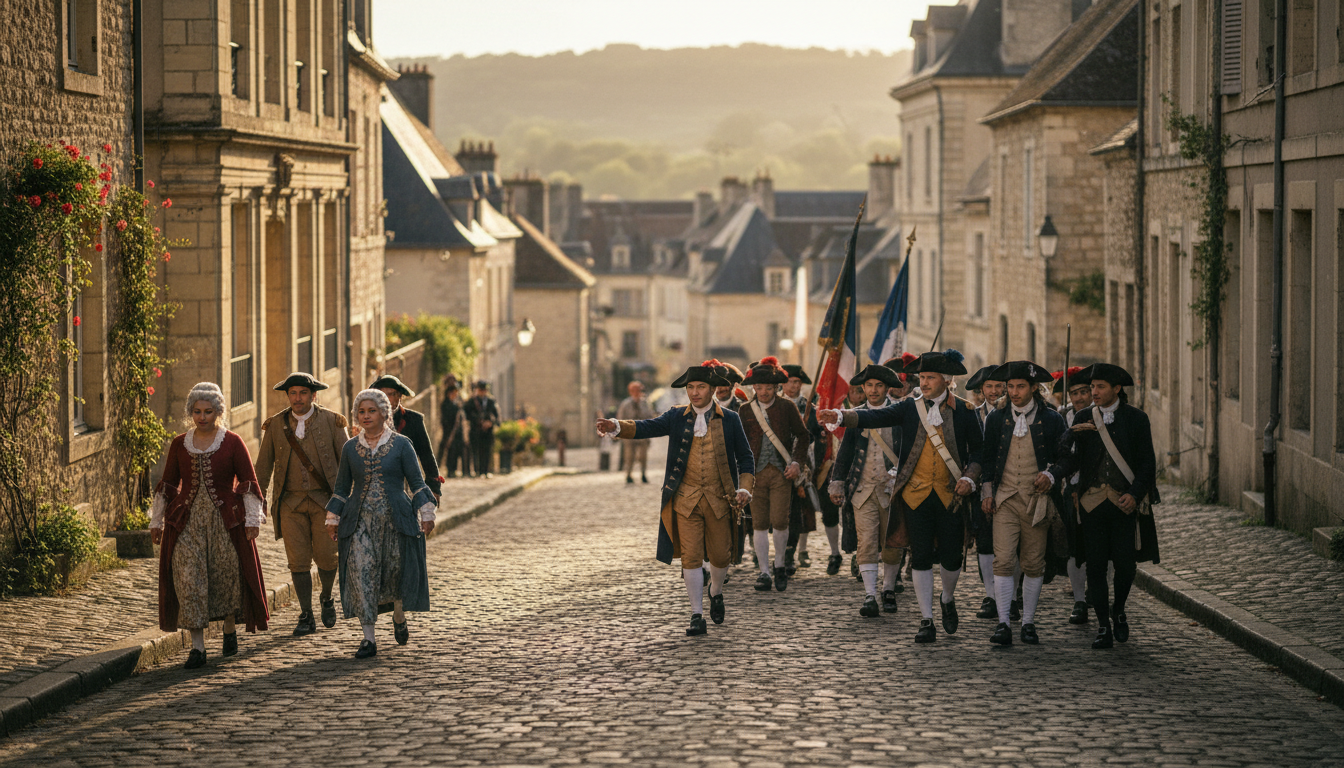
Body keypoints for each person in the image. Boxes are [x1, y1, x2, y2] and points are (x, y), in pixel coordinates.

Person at [819, 350, 983, 644]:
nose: (925, 382)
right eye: (922, 377)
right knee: (919, 556)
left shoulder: (967, 411)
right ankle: (926, 619)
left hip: (951, 495)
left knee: (951, 558)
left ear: (946, 380)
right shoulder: (910, 408)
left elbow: (979, 452)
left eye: (930, 377)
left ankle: (947, 598)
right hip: (914, 494)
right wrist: (842, 415)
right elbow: (876, 415)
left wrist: (970, 477)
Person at [597, 361, 754, 635]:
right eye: (690, 387)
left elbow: (745, 457)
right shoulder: (676, 416)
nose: (694, 393)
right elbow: (647, 426)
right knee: (691, 558)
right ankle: (696, 614)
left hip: (720, 499)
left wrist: (745, 488)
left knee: (720, 557)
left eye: (700, 387)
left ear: (713, 389)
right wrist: (616, 426)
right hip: (684, 499)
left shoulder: (730, 419)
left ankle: (715, 591)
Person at [151, 383, 268, 669]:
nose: (202, 417)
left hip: (224, 522)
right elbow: (167, 483)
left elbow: (248, 481)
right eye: (197, 411)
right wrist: (157, 519)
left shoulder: (232, 442)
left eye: (208, 411)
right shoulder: (180, 443)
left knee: (224, 576)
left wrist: (252, 520)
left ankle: (229, 627)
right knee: (189, 579)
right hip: (186, 522)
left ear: (218, 412)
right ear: (190, 412)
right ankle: (198, 647)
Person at [325, 389, 437, 658]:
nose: (366, 416)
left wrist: (426, 512)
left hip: (395, 520)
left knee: (394, 575)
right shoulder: (350, 448)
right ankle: (368, 639)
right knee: (362, 573)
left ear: (385, 413)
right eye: (361, 412)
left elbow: (417, 482)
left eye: (371, 411)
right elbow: (341, 487)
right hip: (359, 521)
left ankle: (398, 615)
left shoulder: (401, 445)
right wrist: (333, 518)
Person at [1056, 363, 1160, 649]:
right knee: (1096, 567)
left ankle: (1120, 610)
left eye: (1100, 387)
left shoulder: (1137, 419)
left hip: (1123, 504)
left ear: (1116, 389)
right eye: (1092, 388)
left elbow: (1147, 464)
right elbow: (1069, 459)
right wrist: (1070, 436)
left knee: (1126, 566)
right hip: (1091, 505)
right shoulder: (1082, 417)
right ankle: (1103, 625)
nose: (1094, 392)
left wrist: (1135, 495)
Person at [977, 361, 1068, 646]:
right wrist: (987, 492)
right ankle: (1004, 623)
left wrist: (1051, 475)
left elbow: (1066, 458)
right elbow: (988, 459)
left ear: (1033, 389)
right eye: (1010, 387)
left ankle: (1028, 622)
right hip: (1005, 499)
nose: (1014, 392)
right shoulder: (996, 418)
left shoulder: (1052, 419)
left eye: (1020, 387)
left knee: (1032, 563)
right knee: (1003, 561)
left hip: (1037, 502)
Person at [254, 372, 348, 637]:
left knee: (329, 558)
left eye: (303, 393)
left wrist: (349, 500)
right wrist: (257, 502)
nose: (298, 398)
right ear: (288, 396)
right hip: (290, 503)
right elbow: (262, 467)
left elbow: (348, 462)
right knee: (297, 562)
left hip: (326, 502)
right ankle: (306, 613)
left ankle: (327, 597)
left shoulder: (332, 422)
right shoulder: (275, 425)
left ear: (314, 395)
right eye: (293, 393)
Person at [828, 364, 904, 617]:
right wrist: (837, 481)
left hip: (892, 491)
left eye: (879, 385)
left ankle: (889, 589)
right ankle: (870, 595)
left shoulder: (900, 413)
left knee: (892, 544)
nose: (873, 390)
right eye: (869, 386)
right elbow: (845, 453)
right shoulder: (855, 415)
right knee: (867, 543)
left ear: (886, 388)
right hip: (862, 490)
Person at [738, 356, 812, 592]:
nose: (763, 392)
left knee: (780, 521)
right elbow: (739, 443)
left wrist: (797, 463)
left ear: (776, 387)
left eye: (768, 388)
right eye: (758, 388)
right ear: (753, 388)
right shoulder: (744, 410)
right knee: (759, 524)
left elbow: (803, 435)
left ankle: (779, 564)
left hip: (782, 472)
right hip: (755, 475)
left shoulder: (787, 407)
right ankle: (764, 572)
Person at [963, 364, 1012, 619]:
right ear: (981, 390)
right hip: (980, 487)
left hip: (1011, 485)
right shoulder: (972, 414)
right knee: (984, 542)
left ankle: (1012, 597)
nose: (993, 392)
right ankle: (991, 595)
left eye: (998, 387)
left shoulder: (1013, 413)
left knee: (1013, 544)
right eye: (989, 387)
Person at [1054, 367, 1094, 625]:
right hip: (1073, 489)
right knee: (1074, 548)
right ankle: (1080, 601)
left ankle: (1098, 592)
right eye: (1073, 393)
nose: (1079, 398)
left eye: (1083, 392)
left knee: (1103, 549)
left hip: (1100, 488)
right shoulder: (1062, 416)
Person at [372, 374, 442, 502]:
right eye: (382, 394)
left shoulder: (414, 420)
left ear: (400, 396)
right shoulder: (369, 419)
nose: (386, 398)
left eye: (391, 394)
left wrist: (434, 486)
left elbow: (426, 454)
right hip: (376, 484)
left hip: (407, 484)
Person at [781, 364, 823, 570]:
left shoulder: (809, 408)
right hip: (778, 464)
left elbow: (816, 433)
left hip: (802, 466)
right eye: (790, 381)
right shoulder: (775, 405)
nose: (794, 386)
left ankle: (790, 554)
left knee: (797, 513)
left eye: (797, 382)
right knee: (778, 514)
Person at [617, 381, 656, 484]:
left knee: (643, 456)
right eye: (634, 390)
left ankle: (643, 474)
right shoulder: (625, 404)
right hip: (629, 434)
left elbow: (650, 416)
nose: (637, 392)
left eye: (638, 390)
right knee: (629, 456)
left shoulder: (645, 403)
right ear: (630, 391)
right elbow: (620, 418)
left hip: (642, 433)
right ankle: (628, 474)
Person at [463, 380, 500, 477]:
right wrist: (478, 421)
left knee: (486, 451)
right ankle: (477, 470)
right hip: (476, 430)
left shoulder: (491, 401)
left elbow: (496, 415)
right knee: (476, 451)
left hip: (487, 431)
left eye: (484, 390)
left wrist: (490, 422)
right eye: (481, 390)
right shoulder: (471, 402)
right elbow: (467, 415)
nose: (482, 392)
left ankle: (486, 470)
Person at [439, 377, 471, 478]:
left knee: (460, 450)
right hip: (450, 431)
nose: (455, 395)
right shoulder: (446, 404)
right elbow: (447, 418)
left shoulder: (457, 403)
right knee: (451, 452)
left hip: (458, 432)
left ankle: (461, 470)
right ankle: (450, 470)